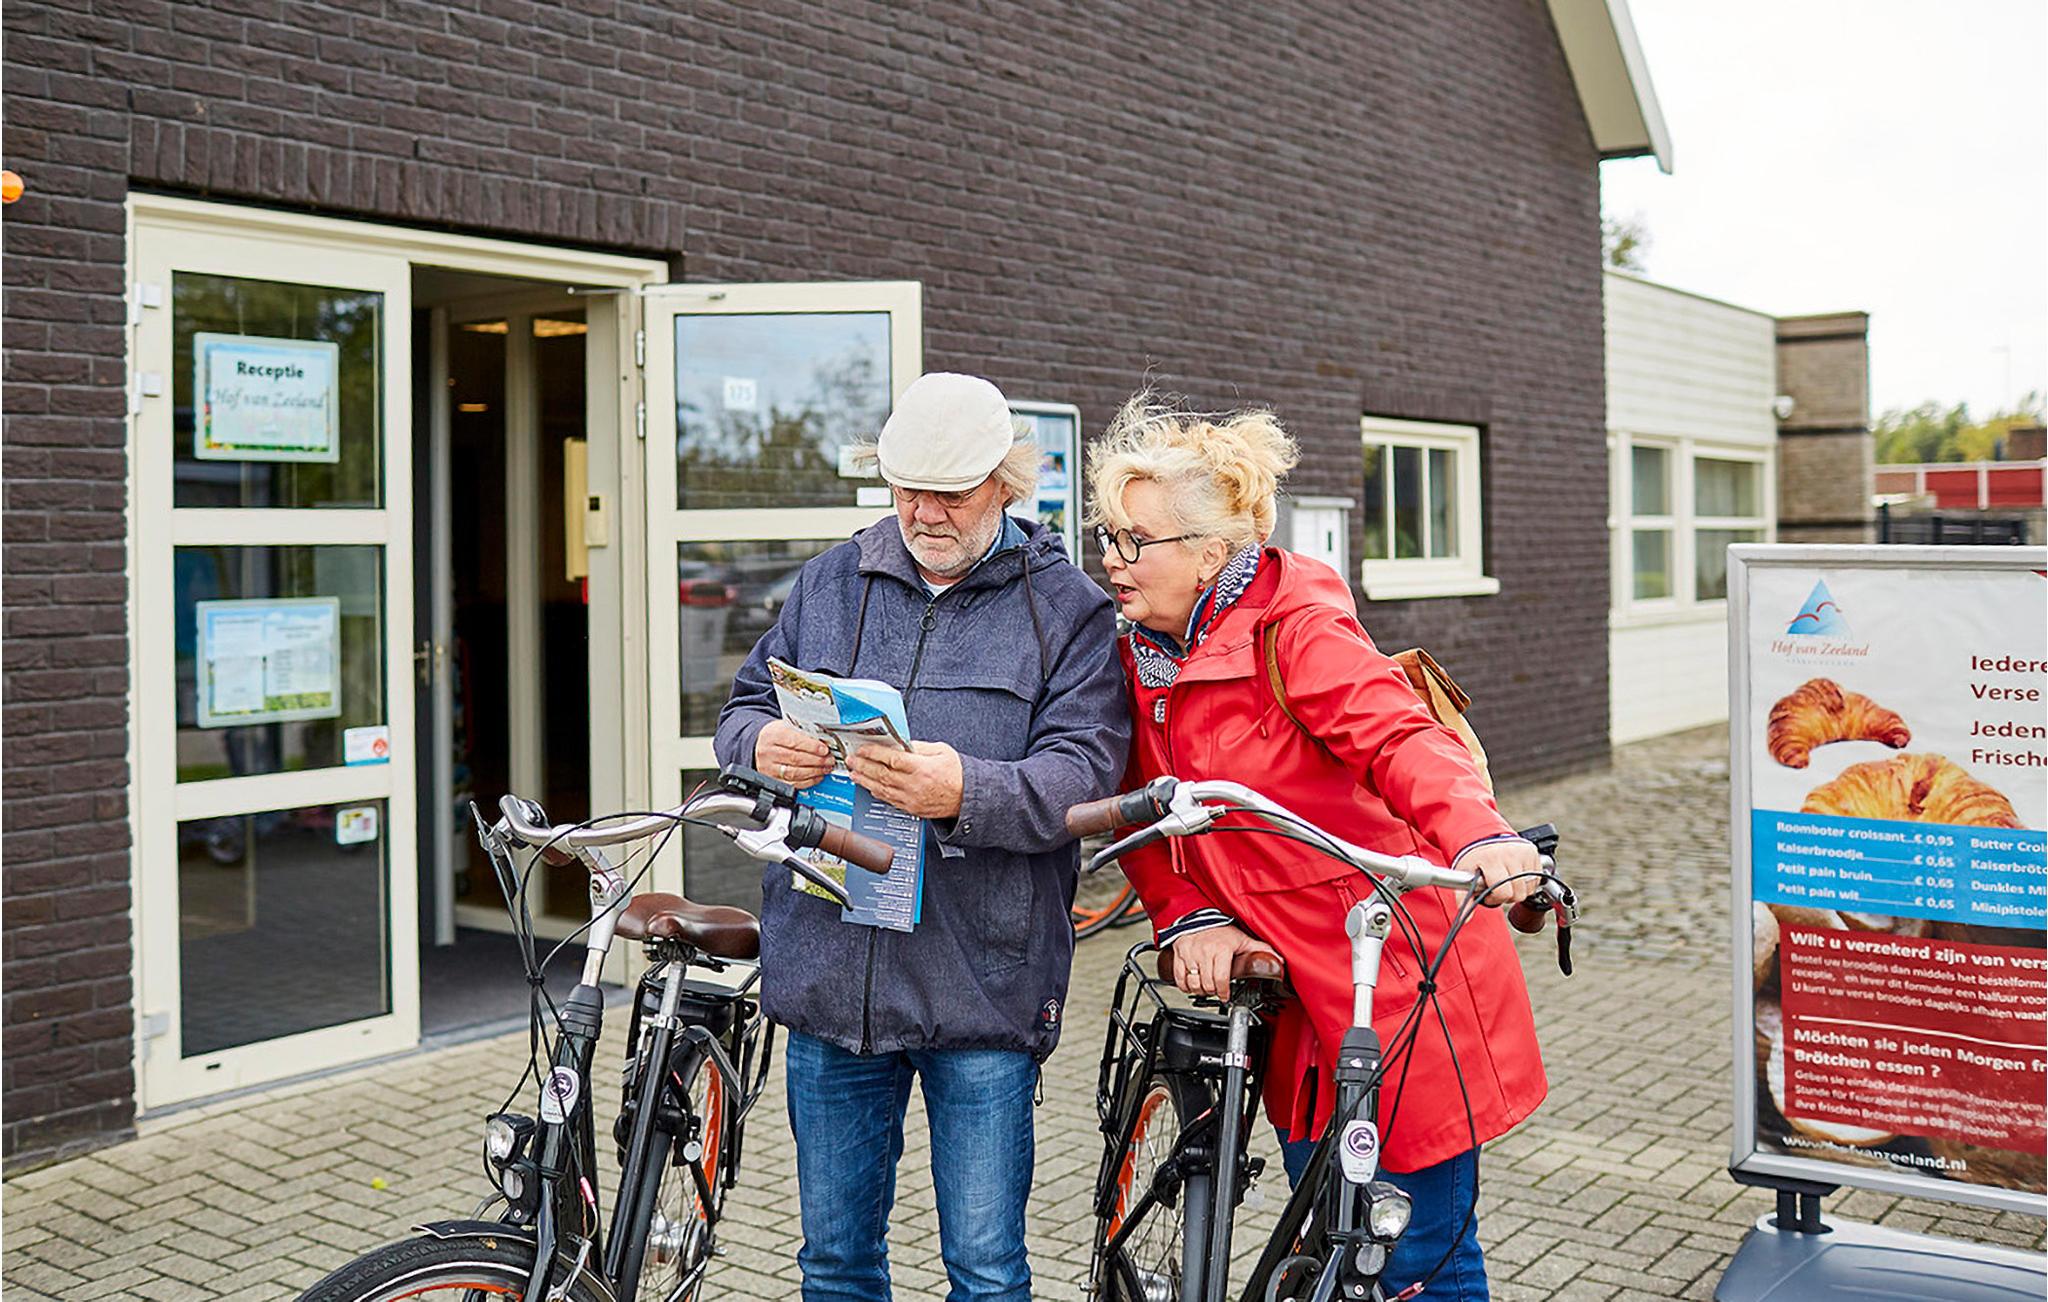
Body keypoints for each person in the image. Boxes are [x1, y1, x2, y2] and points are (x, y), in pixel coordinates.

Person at [1086, 394, 1545, 1302]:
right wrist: (1188, 916)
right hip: (1291, 995)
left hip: (1394, 978)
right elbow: (1143, 821)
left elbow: (1399, 738)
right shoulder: (1141, 661)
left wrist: (1484, 836)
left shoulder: (1297, 632)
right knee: (1325, 1240)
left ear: (1210, 553)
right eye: (1108, 535)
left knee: (1415, 1256)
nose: (1111, 558)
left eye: (1136, 540)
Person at [714, 372, 1130, 1302]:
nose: (924, 513)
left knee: (984, 1273)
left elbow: (1086, 777)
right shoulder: (831, 581)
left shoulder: (1068, 609)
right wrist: (761, 745)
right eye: (908, 488)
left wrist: (964, 790)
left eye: (951, 492)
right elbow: (741, 709)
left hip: (980, 984)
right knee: (834, 1264)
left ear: (1006, 484)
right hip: (832, 974)